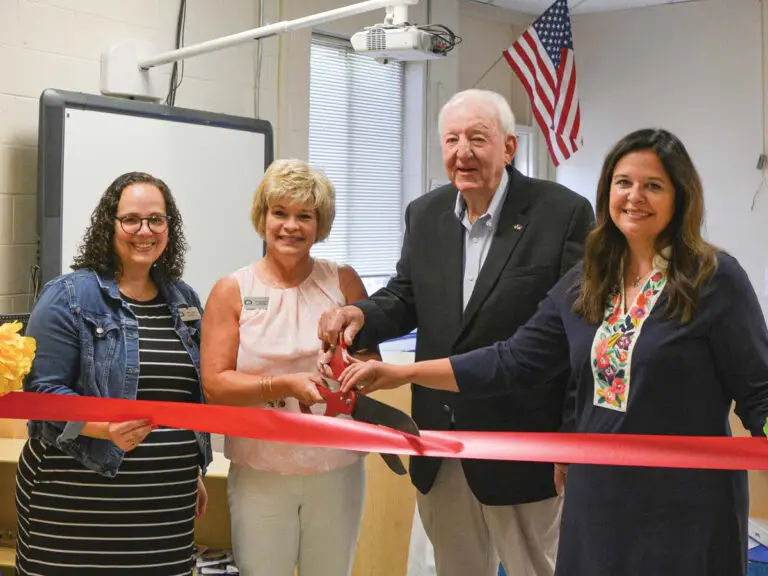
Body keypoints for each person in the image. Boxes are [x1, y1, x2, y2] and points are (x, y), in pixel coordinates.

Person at [335, 128, 768, 576]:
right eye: (623, 183)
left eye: (653, 185)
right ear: (607, 192)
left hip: (687, 502)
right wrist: (403, 374)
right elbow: (514, 360)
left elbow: (759, 394)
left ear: (681, 197)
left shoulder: (714, 280)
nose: (635, 197)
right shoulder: (590, 280)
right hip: (597, 494)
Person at [318, 88, 595, 576]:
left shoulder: (563, 214)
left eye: (477, 138)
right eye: (451, 140)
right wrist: (361, 314)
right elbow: (405, 296)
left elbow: (577, 337)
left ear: (509, 147)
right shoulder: (425, 214)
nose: (462, 152)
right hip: (440, 443)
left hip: (524, 447)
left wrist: (569, 437)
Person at [15, 171, 212, 575]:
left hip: (166, 513)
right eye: (132, 220)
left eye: (157, 220)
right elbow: (39, 394)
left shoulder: (185, 300)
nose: (145, 230)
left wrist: (192, 464)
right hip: (79, 509)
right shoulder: (68, 295)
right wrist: (101, 425)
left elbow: (186, 398)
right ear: (110, 225)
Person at [200, 158, 374, 576]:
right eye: (280, 213)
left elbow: (371, 367)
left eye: (304, 216)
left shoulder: (344, 282)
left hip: (338, 469)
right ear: (262, 218)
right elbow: (214, 385)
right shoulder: (232, 290)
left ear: (320, 224)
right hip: (260, 470)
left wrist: (345, 369)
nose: (291, 226)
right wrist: (283, 384)